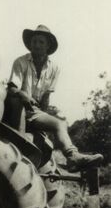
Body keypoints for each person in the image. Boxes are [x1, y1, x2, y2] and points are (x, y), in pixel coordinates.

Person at [7, 24, 103, 172]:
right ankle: (19, 147)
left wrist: (43, 122)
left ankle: (72, 157)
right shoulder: (20, 62)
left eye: (41, 42)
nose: (36, 45)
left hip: (34, 112)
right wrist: (23, 94)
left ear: (47, 46)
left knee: (60, 124)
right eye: (34, 41)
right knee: (18, 102)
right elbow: (12, 88)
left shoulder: (54, 68)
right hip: (16, 108)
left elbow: (46, 97)